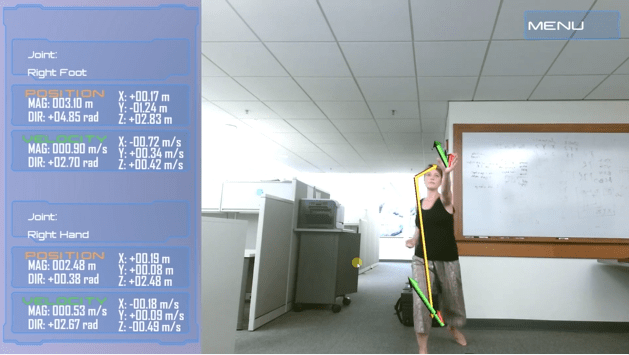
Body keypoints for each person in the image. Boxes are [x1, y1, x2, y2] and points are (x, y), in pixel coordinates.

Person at [405, 154, 467, 354]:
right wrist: (413, 239)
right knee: (421, 300)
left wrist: (448, 174)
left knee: (452, 298)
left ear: (440, 180)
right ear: (424, 180)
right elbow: (419, 228)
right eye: (428, 175)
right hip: (421, 258)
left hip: (447, 258)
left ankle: (452, 326)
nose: (432, 178)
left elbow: (447, 192)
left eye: (436, 176)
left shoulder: (446, 201)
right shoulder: (420, 203)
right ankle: (423, 347)